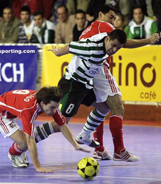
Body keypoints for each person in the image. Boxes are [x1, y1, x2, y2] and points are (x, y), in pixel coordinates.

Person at [34, 4, 161, 162]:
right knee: (114, 107)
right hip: (76, 81)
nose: (113, 21)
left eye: (115, 18)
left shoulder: (90, 31)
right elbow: (121, 42)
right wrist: (148, 40)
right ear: (100, 14)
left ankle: (96, 146)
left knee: (103, 106)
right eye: (111, 16)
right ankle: (29, 140)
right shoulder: (103, 30)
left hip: (86, 81)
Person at [34, 29, 126, 148]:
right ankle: (25, 142)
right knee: (60, 124)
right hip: (72, 85)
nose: (114, 50)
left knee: (104, 108)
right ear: (107, 39)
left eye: (117, 48)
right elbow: (71, 46)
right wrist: (58, 52)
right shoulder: (92, 49)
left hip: (84, 85)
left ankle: (85, 135)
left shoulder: (105, 42)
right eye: (113, 46)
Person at [0, 87, 89, 172]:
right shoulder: (29, 109)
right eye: (52, 108)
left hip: (7, 104)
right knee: (23, 142)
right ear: (43, 103)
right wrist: (38, 166)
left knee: (3, 128)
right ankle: (14, 154)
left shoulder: (47, 100)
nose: (55, 111)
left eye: (56, 107)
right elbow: (30, 140)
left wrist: (75, 145)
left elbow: (62, 125)